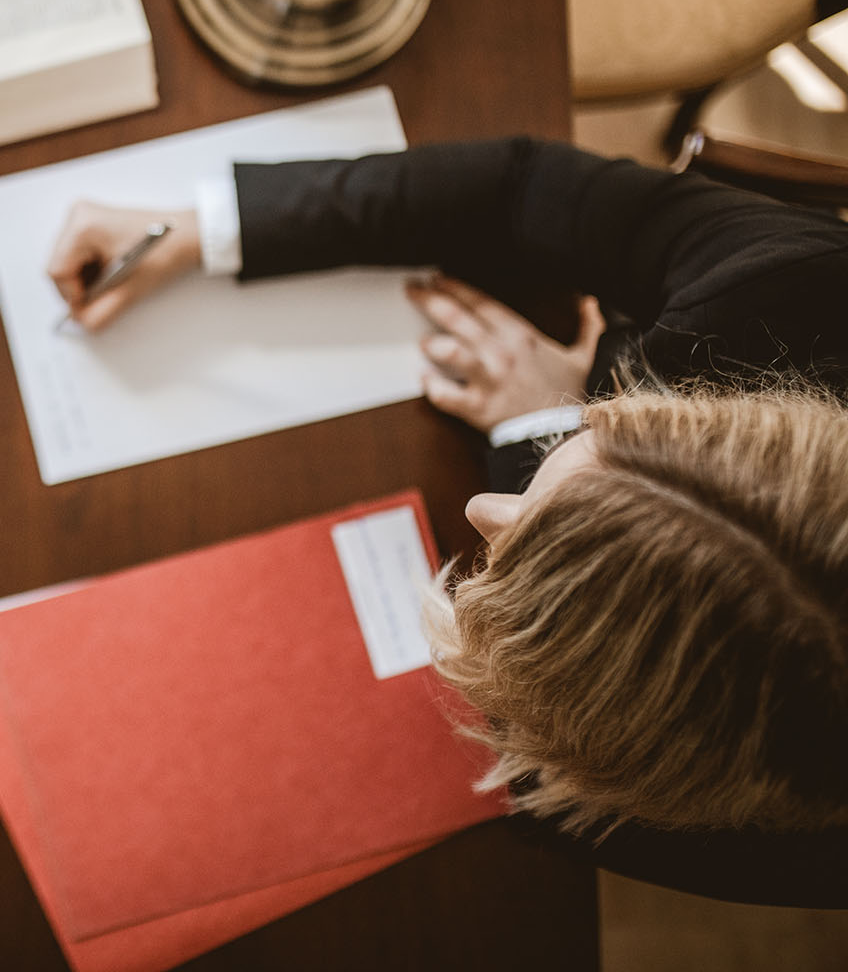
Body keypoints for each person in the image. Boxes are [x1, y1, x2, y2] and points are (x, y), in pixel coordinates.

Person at [47, 136, 848, 905]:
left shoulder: (797, 833)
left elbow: (552, 796)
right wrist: (202, 229)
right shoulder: (791, 286)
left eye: (521, 528)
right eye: (595, 429)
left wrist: (533, 438)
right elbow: (522, 186)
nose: (482, 509)